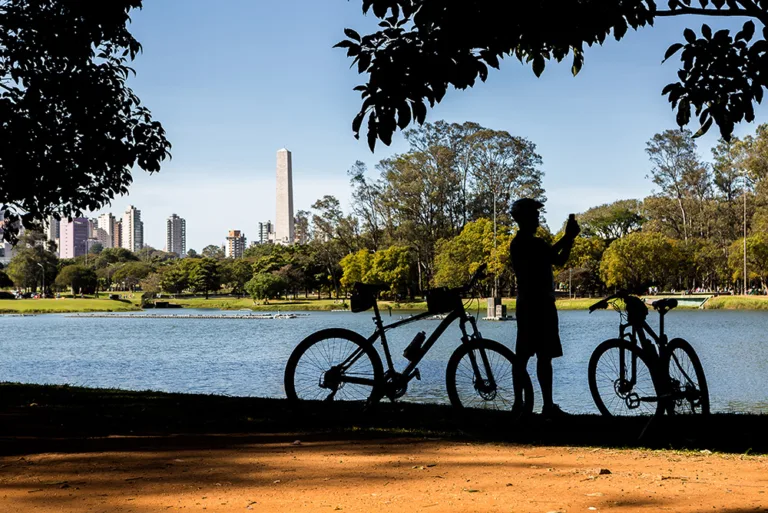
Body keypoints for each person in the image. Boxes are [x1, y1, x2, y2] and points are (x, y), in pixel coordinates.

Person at [509, 198, 580, 419]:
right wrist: (568, 238)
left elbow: (554, 256)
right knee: (537, 357)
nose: (538, 218)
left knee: (528, 356)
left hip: (529, 305)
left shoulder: (521, 243)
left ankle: (521, 404)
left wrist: (567, 239)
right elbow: (555, 257)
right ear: (524, 218)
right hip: (538, 305)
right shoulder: (527, 243)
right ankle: (541, 405)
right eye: (534, 215)